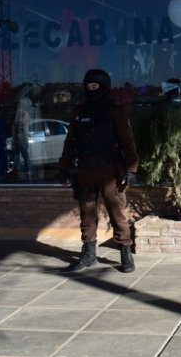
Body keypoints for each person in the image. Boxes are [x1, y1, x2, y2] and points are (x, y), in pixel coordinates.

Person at [59, 68, 139, 273]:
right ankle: (88, 254)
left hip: (110, 170)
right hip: (85, 171)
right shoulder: (80, 112)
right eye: (88, 86)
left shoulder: (115, 111)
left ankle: (125, 252)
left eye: (95, 86)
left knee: (117, 213)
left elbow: (128, 142)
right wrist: (65, 167)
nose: (91, 89)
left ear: (104, 87)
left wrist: (131, 169)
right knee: (87, 214)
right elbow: (70, 141)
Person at [11, 107, 31, 180]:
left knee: (23, 156)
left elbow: (20, 124)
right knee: (19, 156)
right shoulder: (20, 115)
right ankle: (21, 172)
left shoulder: (23, 114)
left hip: (22, 139)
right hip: (19, 139)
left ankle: (26, 171)